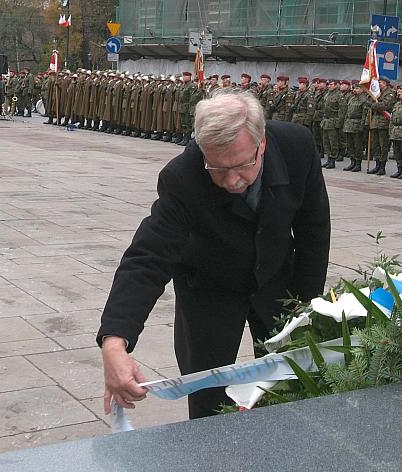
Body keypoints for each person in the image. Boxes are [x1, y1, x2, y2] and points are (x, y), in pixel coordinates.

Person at [98, 92, 331, 420]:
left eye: (241, 166)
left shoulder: (297, 147)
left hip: (278, 281)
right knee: (208, 398)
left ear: (261, 144)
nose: (232, 180)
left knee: (291, 385)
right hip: (208, 286)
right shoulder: (182, 176)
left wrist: (308, 309)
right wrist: (114, 339)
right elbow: (148, 256)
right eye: (218, 170)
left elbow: (314, 231)